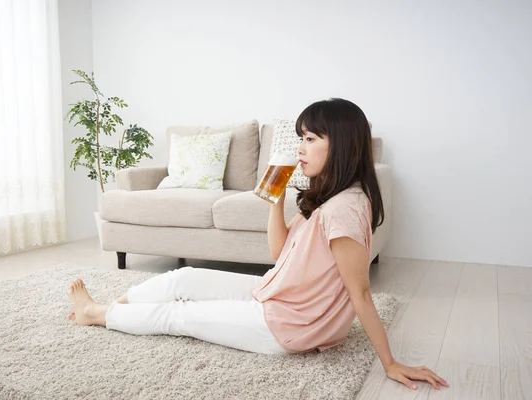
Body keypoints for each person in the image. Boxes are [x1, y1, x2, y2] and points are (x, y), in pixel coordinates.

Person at [67, 98, 449, 391]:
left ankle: (96, 316)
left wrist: (390, 362)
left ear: (343, 146)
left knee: (178, 316)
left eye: (311, 139)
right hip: (272, 296)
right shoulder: (330, 197)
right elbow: (279, 255)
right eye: (301, 137)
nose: (300, 147)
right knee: (182, 277)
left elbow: (361, 294)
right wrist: (274, 200)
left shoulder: (345, 210)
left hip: (286, 325)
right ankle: (114, 309)